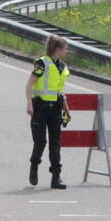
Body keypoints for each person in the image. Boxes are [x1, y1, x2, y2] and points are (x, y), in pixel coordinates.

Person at [26, 35, 72, 189]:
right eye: (65, 48)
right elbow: (29, 85)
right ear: (58, 49)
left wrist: (66, 106)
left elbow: (59, 90)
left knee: (55, 143)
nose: (67, 51)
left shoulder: (62, 66)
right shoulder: (42, 63)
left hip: (55, 109)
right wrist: (29, 104)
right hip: (40, 108)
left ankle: (56, 177)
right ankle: (34, 166)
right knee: (40, 142)